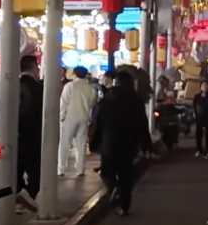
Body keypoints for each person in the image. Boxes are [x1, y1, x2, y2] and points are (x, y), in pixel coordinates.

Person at [95, 66, 152, 216]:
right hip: (129, 143)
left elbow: (98, 121)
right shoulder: (136, 100)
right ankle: (124, 205)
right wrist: (146, 144)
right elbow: (142, 123)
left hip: (110, 141)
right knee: (126, 174)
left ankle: (114, 188)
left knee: (107, 172)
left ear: (116, 82)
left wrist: (95, 141)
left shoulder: (107, 98)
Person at [58, 65, 99, 180]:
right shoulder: (90, 88)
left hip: (69, 118)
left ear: (74, 74)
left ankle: (61, 168)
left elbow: (64, 102)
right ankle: (80, 169)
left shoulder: (70, 86)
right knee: (81, 144)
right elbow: (92, 103)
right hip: (84, 117)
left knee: (64, 143)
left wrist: (61, 116)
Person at [13, 54, 42, 208]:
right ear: (33, 67)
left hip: (16, 132)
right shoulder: (38, 87)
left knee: (16, 166)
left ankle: (19, 193)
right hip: (34, 133)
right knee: (34, 167)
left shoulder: (13, 84)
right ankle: (29, 195)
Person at [192, 73, 208, 157]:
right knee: (198, 135)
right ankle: (199, 150)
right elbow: (194, 106)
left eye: (206, 85)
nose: (204, 87)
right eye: (203, 85)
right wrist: (195, 114)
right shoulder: (197, 96)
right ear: (200, 87)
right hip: (199, 118)